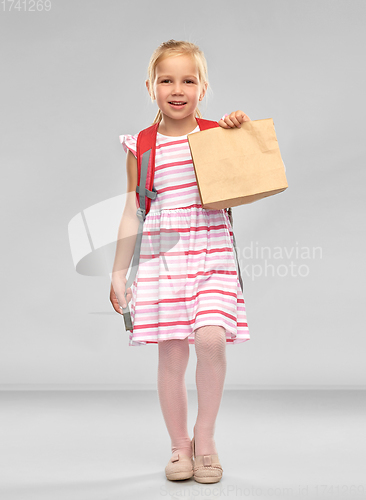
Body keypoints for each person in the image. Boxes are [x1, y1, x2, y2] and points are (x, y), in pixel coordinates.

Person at [110, 39, 251, 483]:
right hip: (162, 260)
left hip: (212, 252)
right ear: (150, 86)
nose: (177, 88)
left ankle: (204, 438)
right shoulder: (143, 145)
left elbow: (247, 177)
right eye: (166, 80)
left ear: (203, 87)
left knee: (210, 340)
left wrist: (239, 129)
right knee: (171, 355)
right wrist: (118, 273)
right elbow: (133, 210)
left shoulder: (216, 134)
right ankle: (179, 447)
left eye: (188, 80)